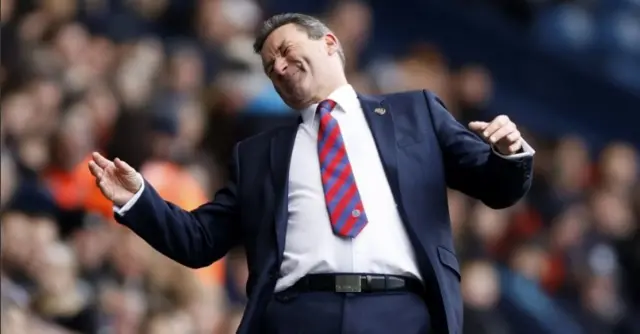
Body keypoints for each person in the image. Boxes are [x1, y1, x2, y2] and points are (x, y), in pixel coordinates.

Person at [88, 13, 535, 334]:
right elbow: (200, 240)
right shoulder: (259, 153)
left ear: (329, 43)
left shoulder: (414, 112)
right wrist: (137, 198)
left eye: (285, 51)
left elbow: (495, 187)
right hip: (296, 313)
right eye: (269, 67)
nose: (279, 67)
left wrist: (509, 152)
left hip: (399, 312)